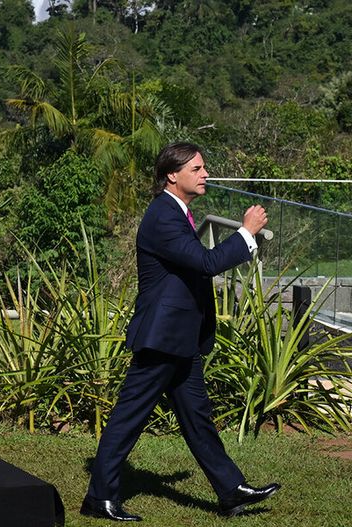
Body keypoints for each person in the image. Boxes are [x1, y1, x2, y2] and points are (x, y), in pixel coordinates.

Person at [80, 143, 280, 521]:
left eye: (204, 168)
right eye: (198, 168)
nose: (205, 174)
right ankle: (99, 499)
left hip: (180, 338)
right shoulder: (163, 216)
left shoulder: (179, 213)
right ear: (173, 175)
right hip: (162, 337)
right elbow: (206, 263)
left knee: (197, 418)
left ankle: (230, 491)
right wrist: (246, 233)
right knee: (128, 418)